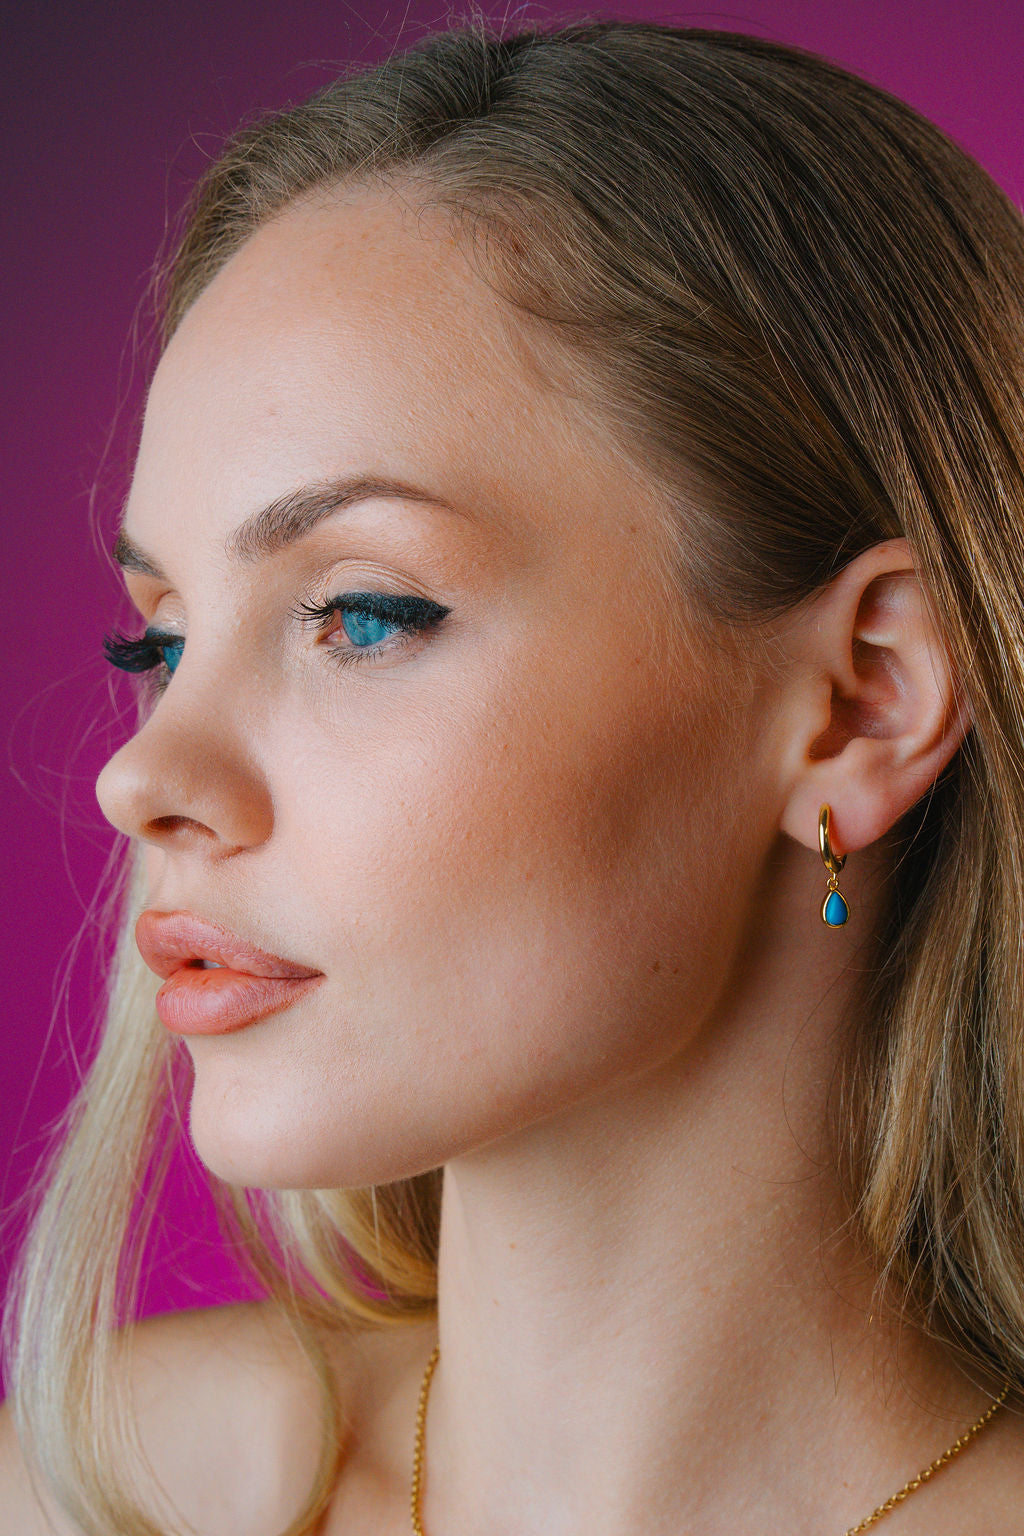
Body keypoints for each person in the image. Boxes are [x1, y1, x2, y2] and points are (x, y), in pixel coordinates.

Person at [3, 14, 1024, 1535]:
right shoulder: (85, 1496)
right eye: (161, 641)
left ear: (862, 703)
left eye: (362, 614)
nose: (142, 776)